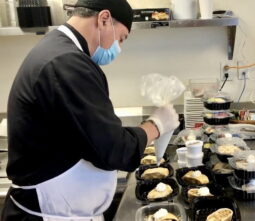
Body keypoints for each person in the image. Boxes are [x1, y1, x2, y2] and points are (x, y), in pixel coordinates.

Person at [1, 0, 179, 220]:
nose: (118, 48)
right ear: (104, 19)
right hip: (49, 214)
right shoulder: (66, 63)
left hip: (64, 210)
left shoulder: (57, 50)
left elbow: (93, 134)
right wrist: (157, 125)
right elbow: (114, 150)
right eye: (121, 38)